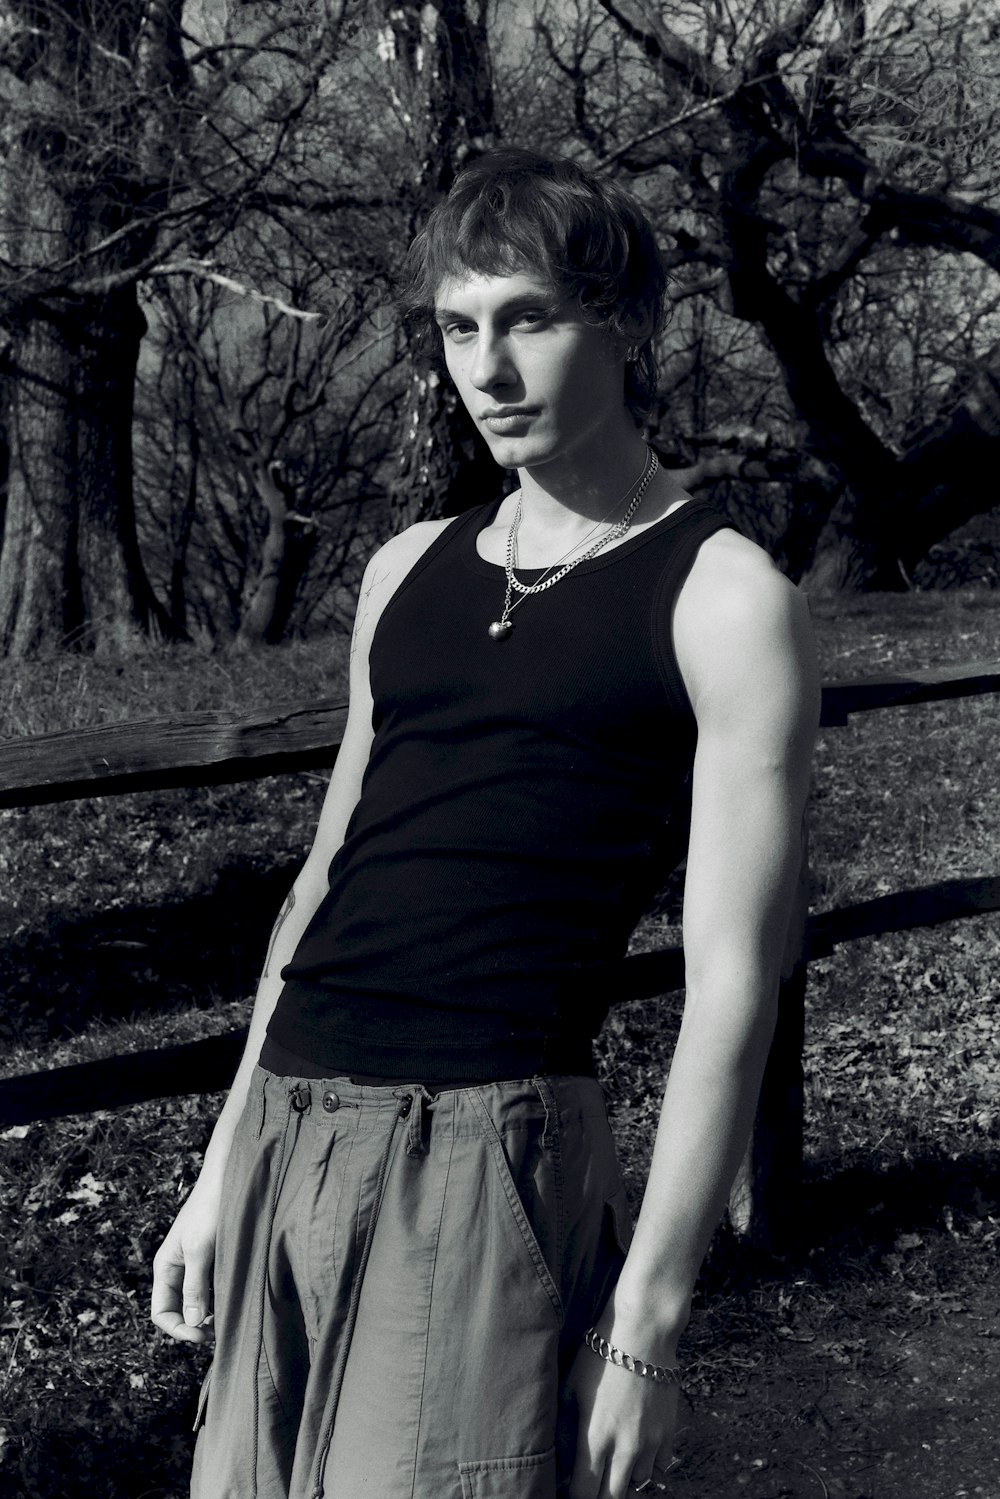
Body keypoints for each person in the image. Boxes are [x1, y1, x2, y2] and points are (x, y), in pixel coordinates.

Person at [151, 148, 819, 1499]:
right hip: (292, 1120)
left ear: (625, 322)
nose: (489, 368)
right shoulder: (406, 570)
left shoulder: (725, 597)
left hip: (482, 1148)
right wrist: (222, 1170)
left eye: (529, 319)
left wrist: (644, 1332)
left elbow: (737, 983)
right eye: (461, 327)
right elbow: (323, 885)